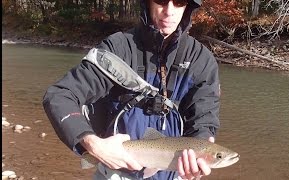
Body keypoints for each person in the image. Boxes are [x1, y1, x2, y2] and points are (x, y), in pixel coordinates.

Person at [42, 0, 220, 179]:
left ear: (189, 6)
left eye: (179, 2)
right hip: (115, 173)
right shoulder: (117, 48)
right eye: (161, 0)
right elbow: (60, 95)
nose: (169, 11)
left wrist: (202, 148)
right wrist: (92, 143)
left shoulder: (201, 60)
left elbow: (203, 120)